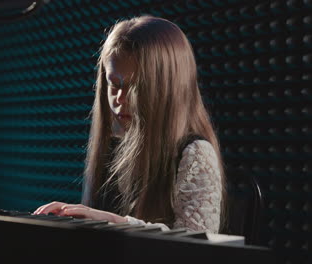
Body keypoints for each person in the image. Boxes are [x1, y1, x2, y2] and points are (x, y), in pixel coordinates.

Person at [33, 15, 226, 233]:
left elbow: (197, 248)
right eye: (114, 85)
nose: (120, 99)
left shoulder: (196, 153)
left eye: (137, 88)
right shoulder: (111, 144)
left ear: (168, 88)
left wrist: (111, 222)